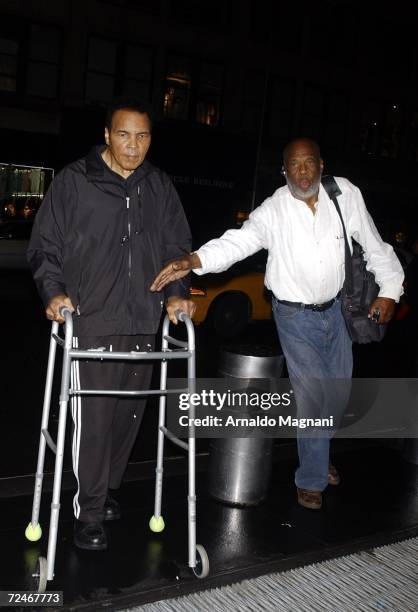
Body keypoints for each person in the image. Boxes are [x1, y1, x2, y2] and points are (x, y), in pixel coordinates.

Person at [150, 137, 404, 510]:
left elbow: (375, 243)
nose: (302, 173)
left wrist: (390, 291)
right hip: (293, 315)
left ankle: (317, 449)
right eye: (294, 166)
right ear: (284, 171)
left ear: (321, 164)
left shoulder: (345, 194)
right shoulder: (274, 210)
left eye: (309, 164)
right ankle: (311, 478)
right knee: (313, 395)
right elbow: (237, 242)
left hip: (336, 310)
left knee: (338, 395)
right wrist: (194, 260)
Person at [27, 98, 195, 550]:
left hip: (144, 317)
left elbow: (177, 246)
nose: (133, 146)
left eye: (142, 136)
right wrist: (53, 291)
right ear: (106, 134)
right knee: (96, 419)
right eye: (124, 135)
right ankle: (90, 509)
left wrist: (177, 296)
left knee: (129, 415)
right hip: (92, 318)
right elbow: (45, 246)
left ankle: (106, 490)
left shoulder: (158, 186)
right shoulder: (74, 181)